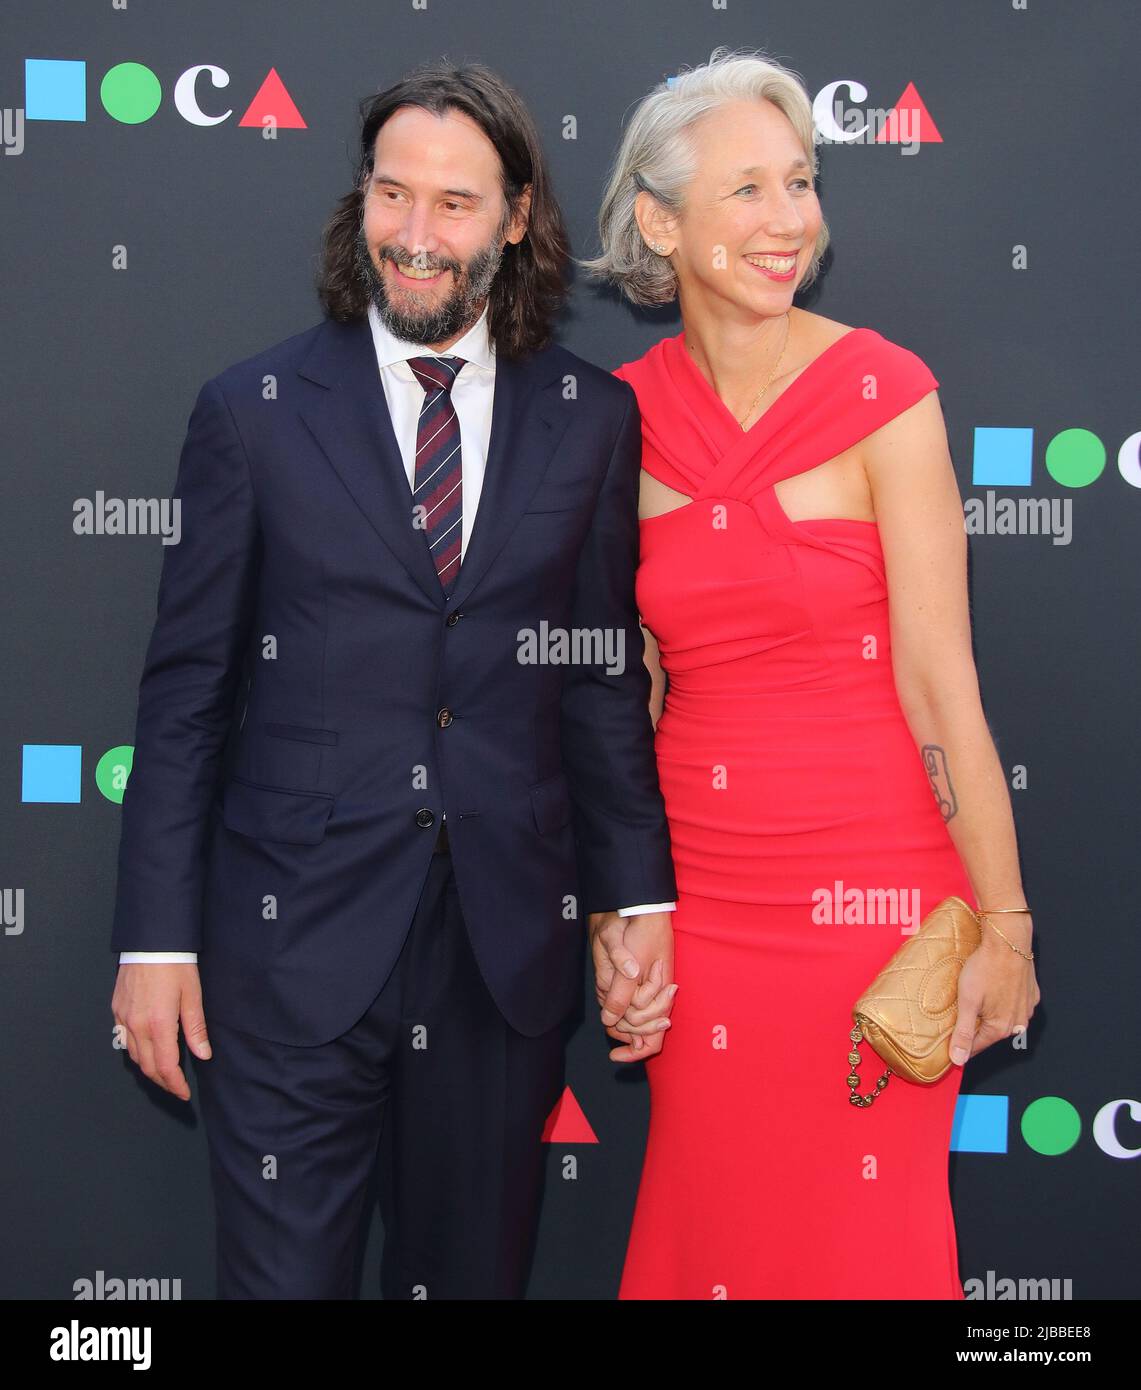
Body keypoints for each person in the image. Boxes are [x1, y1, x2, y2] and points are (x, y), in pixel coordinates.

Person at [109, 60, 678, 1300]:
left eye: (455, 205)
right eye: (390, 196)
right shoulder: (253, 412)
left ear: (519, 215)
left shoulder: (590, 417)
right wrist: (154, 939)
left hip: (499, 951)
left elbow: (593, 682)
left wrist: (636, 899)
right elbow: (188, 694)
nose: (414, 240)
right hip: (288, 947)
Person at [579, 48, 1041, 1299]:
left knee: (864, 1249)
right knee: (711, 1231)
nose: (789, 220)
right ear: (661, 223)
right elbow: (631, 702)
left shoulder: (884, 396)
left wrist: (1003, 925)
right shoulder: (614, 422)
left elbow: (943, 685)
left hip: (879, 916)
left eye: (801, 182)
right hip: (706, 912)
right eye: (747, 191)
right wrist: (624, 912)